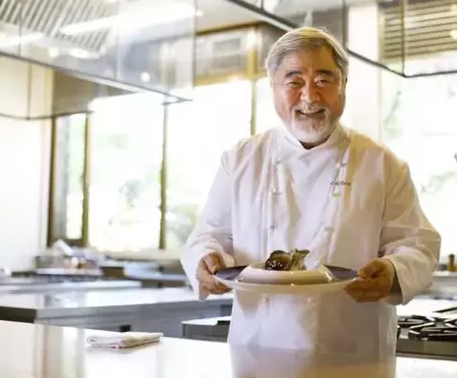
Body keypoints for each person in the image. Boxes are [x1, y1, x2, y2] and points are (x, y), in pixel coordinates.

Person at [180, 26, 441, 355]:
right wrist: (206, 259)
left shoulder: (381, 163)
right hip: (259, 347)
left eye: (323, 80)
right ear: (273, 86)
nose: (309, 97)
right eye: (294, 82)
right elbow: (209, 236)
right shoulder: (241, 160)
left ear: (344, 84)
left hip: (352, 352)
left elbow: (418, 245)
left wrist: (393, 271)